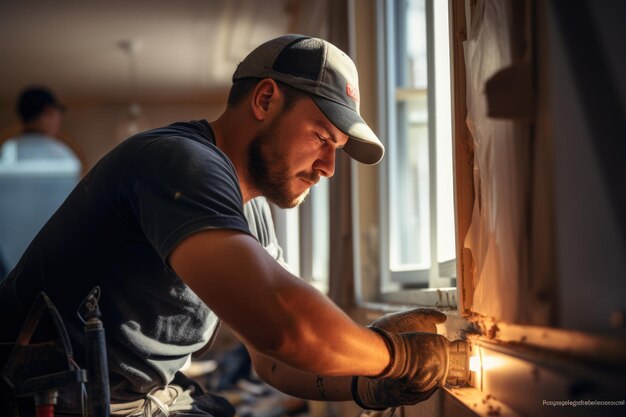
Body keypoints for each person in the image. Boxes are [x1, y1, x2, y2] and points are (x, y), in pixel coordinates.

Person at [0, 35, 451, 416]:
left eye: (337, 147)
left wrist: (363, 383)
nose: (329, 166)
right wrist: (395, 356)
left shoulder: (250, 210)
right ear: (265, 99)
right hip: (41, 400)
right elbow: (282, 325)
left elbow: (270, 356)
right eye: (320, 136)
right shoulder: (182, 163)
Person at [0, 86, 81, 275]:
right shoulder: (63, 156)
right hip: (54, 268)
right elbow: (78, 211)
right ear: (48, 111)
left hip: (8, 271)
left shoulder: (6, 153)